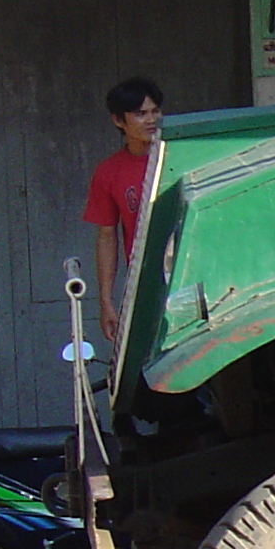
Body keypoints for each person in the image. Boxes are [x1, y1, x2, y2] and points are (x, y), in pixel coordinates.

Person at [83, 76, 164, 346]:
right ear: (119, 121)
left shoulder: (178, 158)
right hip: (144, 284)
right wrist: (106, 301)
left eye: (155, 111)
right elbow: (106, 235)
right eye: (140, 114)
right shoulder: (108, 171)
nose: (151, 119)